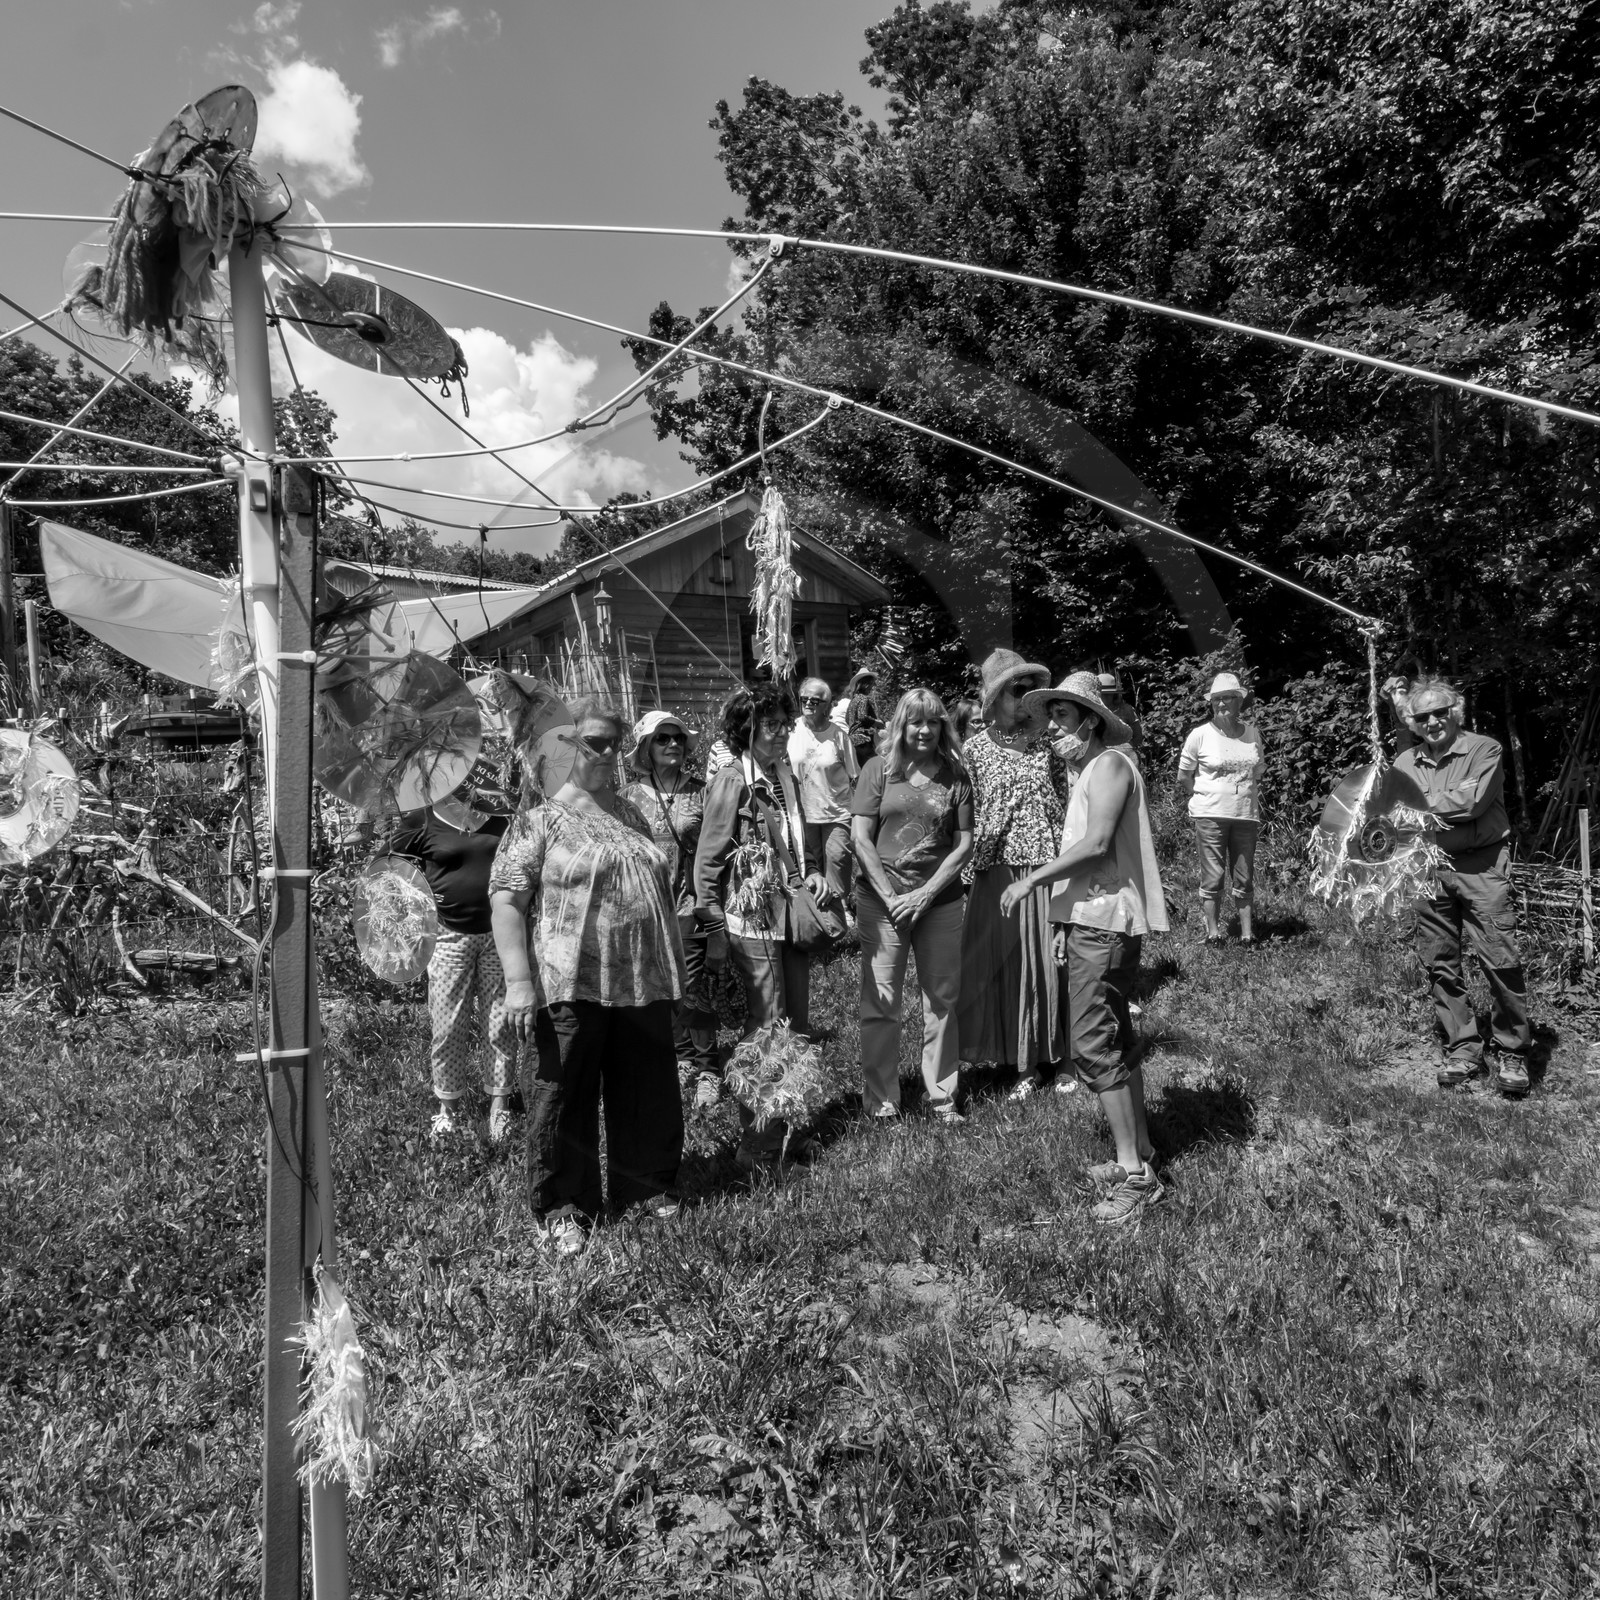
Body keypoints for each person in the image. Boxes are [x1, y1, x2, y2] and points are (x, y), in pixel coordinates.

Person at [489, 699, 686, 1255]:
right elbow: (506, 902)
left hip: (641, 980)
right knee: (564, 1092)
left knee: (646, 1086)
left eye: (613, 744)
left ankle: (644, 1188)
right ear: (565, 747)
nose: (606, 753)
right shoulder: (539, 820)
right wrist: (518, 983)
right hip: (568, 981)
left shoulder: (631, 813)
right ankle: (563, 1207)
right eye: (593, 742)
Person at [1001, 672, 1169, 1223]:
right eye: (1051, 718)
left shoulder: (1112, 765)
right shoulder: (1090, 770)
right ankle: (1138, 1153)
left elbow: (1096, 845)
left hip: (1106, 921)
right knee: (1114, 1033)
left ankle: (1135, 1177)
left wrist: (1031, 881)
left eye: (1064, 718)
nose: (1053, 729)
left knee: (1094, 1043)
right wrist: (1060, 922)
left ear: (1091, 721)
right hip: (1088, 920)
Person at [694, 681, 833, 1167]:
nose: (779, 733)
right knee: (766, 1026)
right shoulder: (733, 779)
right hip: (751, 921)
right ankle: (755, 1142)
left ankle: (789, 1127)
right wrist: (712, 925)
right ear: (745, 729)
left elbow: (801, 840)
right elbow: (707, 861)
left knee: (792, 1023)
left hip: (789, 915)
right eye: (769, 725)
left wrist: (812, 871)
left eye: (784, 724)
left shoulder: (784, 775)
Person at [1392, 678, 1531, 1095]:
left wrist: (1413, 808)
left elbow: (1470, 803)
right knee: (1439, 961)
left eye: (1441, 712)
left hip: (1482, 866)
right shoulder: (1405, 763)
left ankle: (1513, 1050)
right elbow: (1391, 817)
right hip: (1427, 869)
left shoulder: (1484, 749)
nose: (1433, 721)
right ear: (1412, 723)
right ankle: (1463, 1048)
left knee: (1499, 956)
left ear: (1457, 712)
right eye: (1422, 716)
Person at [852, 688, 973, 1124]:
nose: (925, 730)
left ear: (943, 726)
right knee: (881, 1001)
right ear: (900, 726)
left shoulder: (956, 775)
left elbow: (963, 845)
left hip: (938, 902)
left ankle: (941, 1096)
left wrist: (923, 895)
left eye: (934, 721)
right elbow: (860, 838)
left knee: (941, 1000)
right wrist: (890, 896)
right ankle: (882, 1100)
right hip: (881, 904)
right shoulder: (876, 770)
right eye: (916, 721)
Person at [956, 647, 1070, 1096]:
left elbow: (1065, 805)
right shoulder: (973, 751)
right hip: (996, 870)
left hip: (1045, 863)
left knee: (1049, 962)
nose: (1024, 698)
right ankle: (1022, 1062)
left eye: (1029, 690)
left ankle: (1062, 1058)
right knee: (1006, 968)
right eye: (1016, 689)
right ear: (997, 696)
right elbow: (967, 816)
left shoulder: (1048, 743)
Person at [390, 786, 515, 1144]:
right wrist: (411, 912)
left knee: (501, 1022)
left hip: (500, 935)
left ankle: (499, 1106)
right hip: (448, 935)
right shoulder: (424, 817)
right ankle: (448, 1108)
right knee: (447, 1026)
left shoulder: (501, 816)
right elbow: (390, 867)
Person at [622, 709, 720, 1107]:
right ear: (646, 747)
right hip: (646, 908)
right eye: (663, 738)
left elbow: (717, 848)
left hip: (689, 905)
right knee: (663, 988)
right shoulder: (627, 797)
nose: (673, 744)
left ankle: (709, 1068)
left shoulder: (702, 791)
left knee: (695, 988)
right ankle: (682, 1059)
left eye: (678, 738)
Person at [1176, 672, 1265, 945]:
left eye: (1227, 697)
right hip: (1210, 815)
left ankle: (1247, 935)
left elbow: (1257, 772)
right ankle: (1213, 934)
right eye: (1216, 699)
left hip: (1245, 815)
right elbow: (1184, 777)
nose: (1221, 703)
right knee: (1213, 875)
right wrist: (1206, 797)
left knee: (1245, 874)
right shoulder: (1199, 735)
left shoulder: (1252, 734)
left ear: (1240, 701)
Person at [788, 677, 859, 911]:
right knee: (812, 865)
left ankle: (840, 909)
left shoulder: (839, 735)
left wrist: (859, 816)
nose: (808, 703)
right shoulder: (791, 730)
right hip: (802, 812)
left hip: (837, 811)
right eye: (804, 699)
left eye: (815, 700)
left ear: (828, 705)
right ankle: (820, 915)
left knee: (837, 859)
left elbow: (853, 776)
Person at [1095, 671, 1145, 754]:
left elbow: (1138, 735)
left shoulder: (1126, 710)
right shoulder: (1092, 711)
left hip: (1125, 753)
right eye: (1103, 694)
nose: (1106, 697)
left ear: (1114, 694)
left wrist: (1127, 748)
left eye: (1109, 694)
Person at [844, 668, 883, 767]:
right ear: (866, 684)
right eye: (871, 684)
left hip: (853, 740)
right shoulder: (863, 698)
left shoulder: (853, 701)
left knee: (860, 768)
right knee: (873, 767)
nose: (872, 687)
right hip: (863, 739)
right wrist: (877, 722)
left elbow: (847, 719)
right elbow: (862, 717)